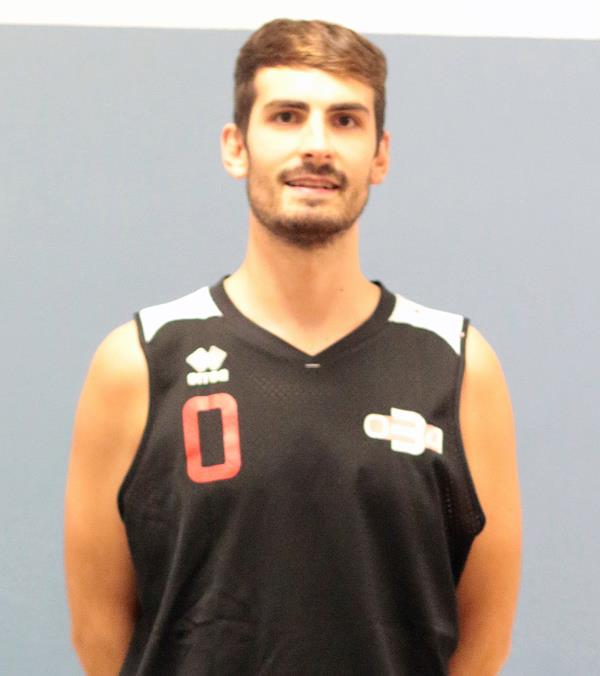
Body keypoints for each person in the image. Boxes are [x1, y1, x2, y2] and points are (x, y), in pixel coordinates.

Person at [65, 18, 521, 675]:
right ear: (236, 147)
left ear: (380, 155)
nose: (317, 146)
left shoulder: (458, 365)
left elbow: (484, 642)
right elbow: (99, 632)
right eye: (286, 116)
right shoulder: (137, 363)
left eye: (345, 121)